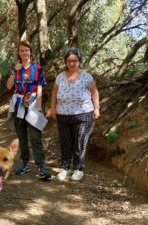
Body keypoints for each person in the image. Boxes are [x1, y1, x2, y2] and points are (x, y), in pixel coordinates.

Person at [47, 48, 100, 181]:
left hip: (83, 115)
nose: (72, 63)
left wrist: (97, 109)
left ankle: (78, 168)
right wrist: (52, 108)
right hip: (63, 115)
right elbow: (54, 92)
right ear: (65, 62)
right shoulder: (60, 77)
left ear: (79, 61)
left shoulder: (86, 77)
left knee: (79, 141)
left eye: (75, 61)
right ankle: (65, 168)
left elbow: (94, 92)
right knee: (65, 142)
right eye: (69, 61)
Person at [6, 40, 52, 180]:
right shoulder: (16, 69)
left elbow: (39, 87)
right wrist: (15, 71)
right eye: (21, 50)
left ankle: (41, 166)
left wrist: (38, 107)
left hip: (32, 105)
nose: (24, 53)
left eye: (27, 50)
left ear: (30, 52)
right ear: (18, 53)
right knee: (22, 136)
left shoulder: (37, 68)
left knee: (35, 136)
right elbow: (9, 86)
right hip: (19, 105)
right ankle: (24, 163)